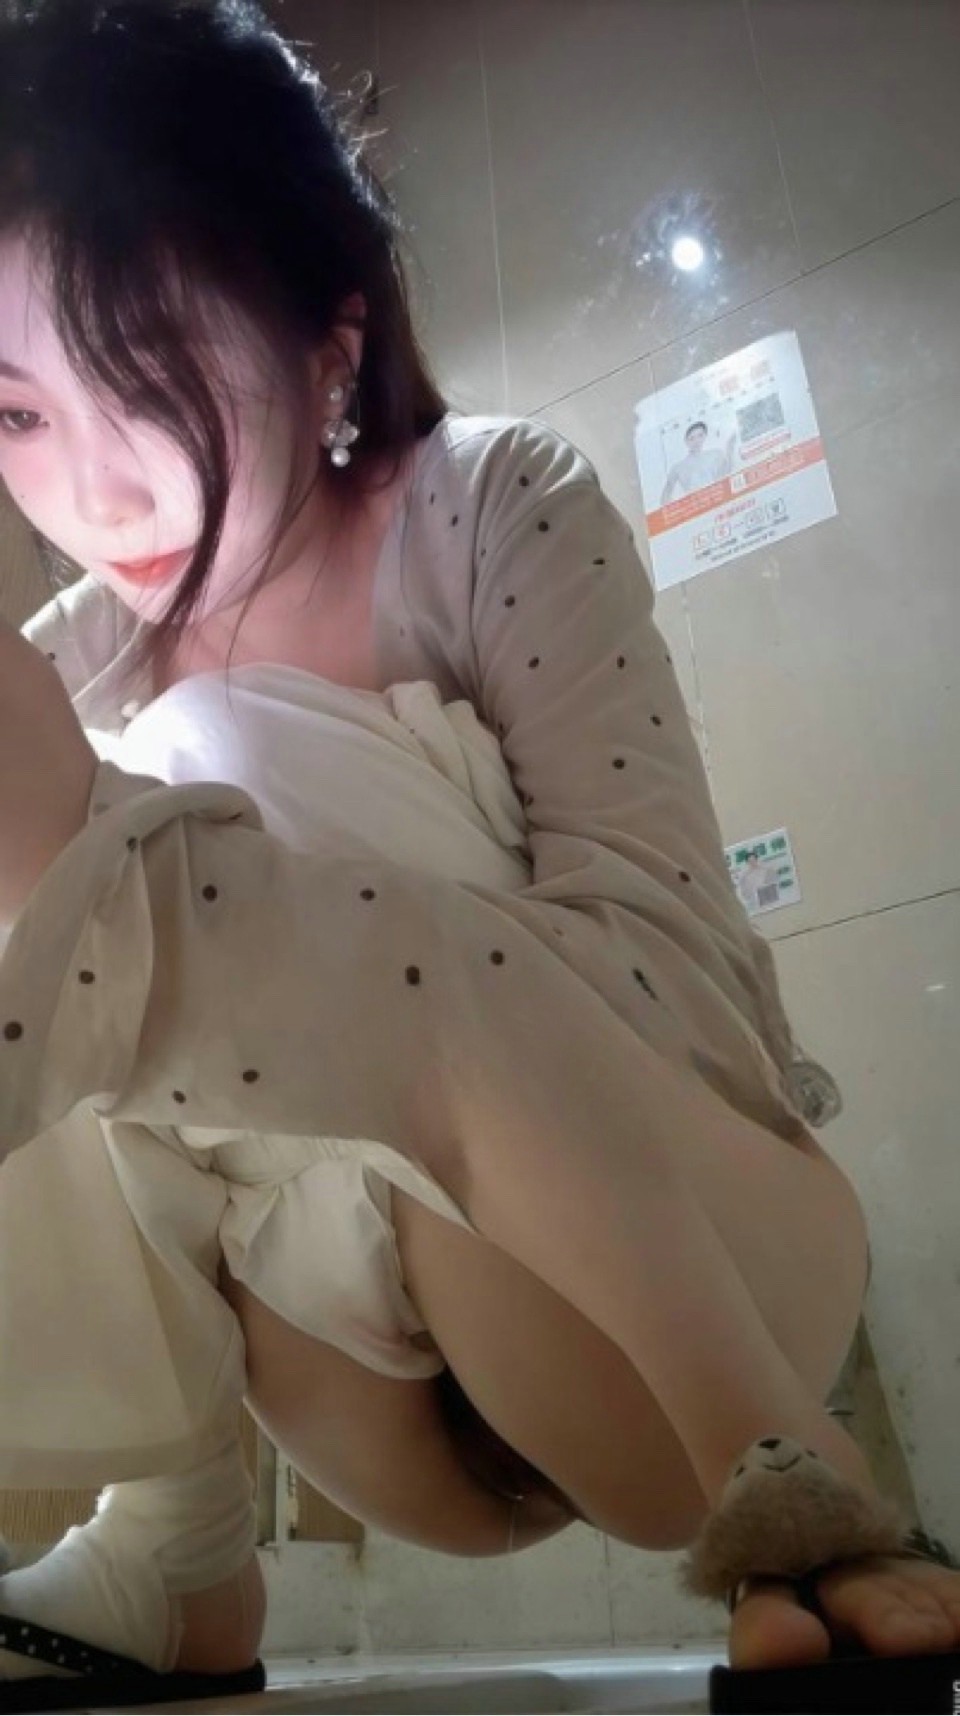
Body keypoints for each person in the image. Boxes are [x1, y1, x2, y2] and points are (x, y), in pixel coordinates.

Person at [0, 0, 957, 1705]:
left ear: (331, 345)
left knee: (184, 804)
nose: (99, 494)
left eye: (144, 379)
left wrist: (201, 906)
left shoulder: (493, 503)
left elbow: (673, 971)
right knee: (45, 847)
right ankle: (182, 1545)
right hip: (342, 1369)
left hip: (673, 1294)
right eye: (13, 415)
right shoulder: (68, 665)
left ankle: (810, 1487)